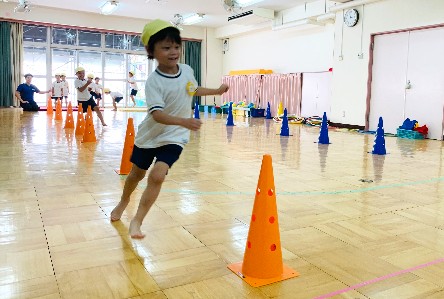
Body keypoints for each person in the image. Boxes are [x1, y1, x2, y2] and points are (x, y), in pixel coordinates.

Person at [110, 19, 229, 238]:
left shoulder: (186, 70)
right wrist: (185, 121)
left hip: (175, 136)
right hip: (150, 135)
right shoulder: (154, 81)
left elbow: (192, 89)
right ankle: (124, 200)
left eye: (176, 46)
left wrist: (217, 91)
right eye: (166, 47)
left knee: (157, 175)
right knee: (136, 174)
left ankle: (137, 221)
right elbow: (157, 114)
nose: (173, 52)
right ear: (151, 51)